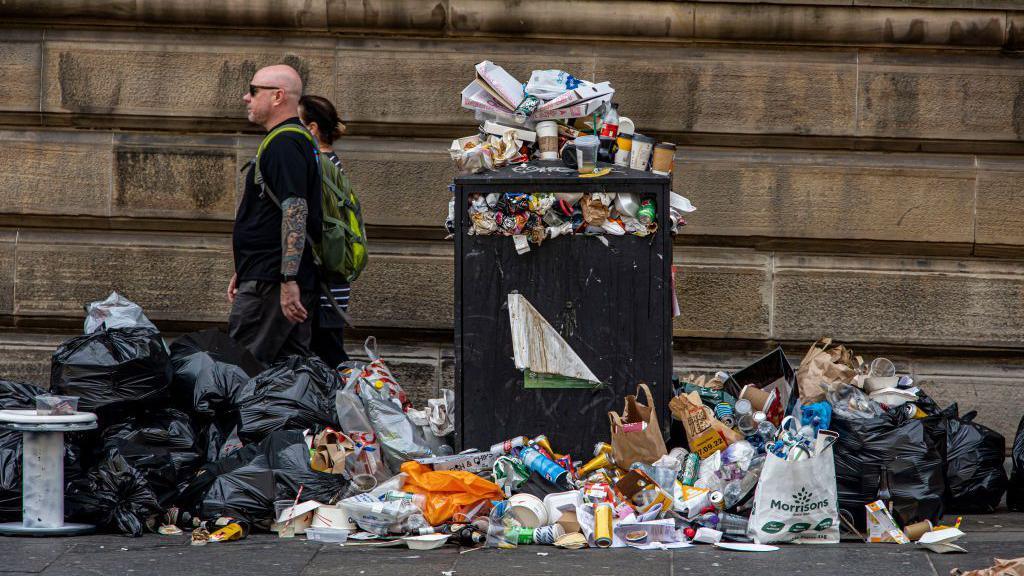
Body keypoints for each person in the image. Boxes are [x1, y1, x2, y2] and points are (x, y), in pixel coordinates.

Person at [227, 64, 322, 365]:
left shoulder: (285, 143)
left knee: (243, 369)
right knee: (286, 375)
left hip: (271, 283)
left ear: (278, 96)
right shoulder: (290, 140)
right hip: (267, 275)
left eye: (254, 91)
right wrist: (244, 268)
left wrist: (287, 278)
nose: (246, 97)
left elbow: (295, 210)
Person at [298, 94, 351, 368]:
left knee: (329, 363)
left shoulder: (318, 164)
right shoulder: (332, 163)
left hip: (323, 287)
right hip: (333, 284)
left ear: (312, 128)